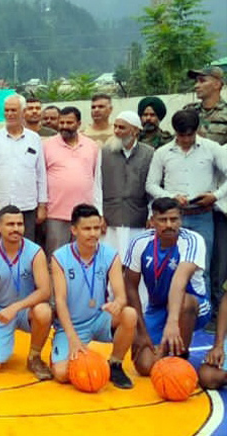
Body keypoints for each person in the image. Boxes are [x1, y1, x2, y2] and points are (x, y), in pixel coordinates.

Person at [146, 109, 227, 319]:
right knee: (168, 264)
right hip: (172, 217)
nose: (186, 140)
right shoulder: (162, 152)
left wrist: (216, 195)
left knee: (203, 267)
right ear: (175, 132)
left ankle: (203, 314)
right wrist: (171, 196)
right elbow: (151, 185)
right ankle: (168, 311)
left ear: (197, 130)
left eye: (190, 135)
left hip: (202, 214)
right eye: (182, 136)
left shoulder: (212, 149)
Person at [49, 204, 136, 389]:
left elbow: (121, 296)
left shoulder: (110, 255)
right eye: (87, 228)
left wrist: (117, 304)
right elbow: (60, 301)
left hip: (99, 318)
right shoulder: (60, 257)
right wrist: (72, 338)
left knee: (129, 314)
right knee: (62, 374)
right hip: (71, 326)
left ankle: (115, 364)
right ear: (74, 230)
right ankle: (71, 353)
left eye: (96, 228)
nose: (93, 233)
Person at [124, 198, 210, 376]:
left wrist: (172, 323)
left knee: (185, 303)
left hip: (193, 306)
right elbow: (130, 287)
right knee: (145, 366)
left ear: (181, 219)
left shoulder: (193, 241)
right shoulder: (139, 242)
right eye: (163, 220)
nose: (169, 225)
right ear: (152, 221)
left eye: (174, 219)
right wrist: (141, 331)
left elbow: (179, 282)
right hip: (157, 308)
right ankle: (164, 350)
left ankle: (180, 358)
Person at [0, 206, 52, 380]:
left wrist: (16, 307)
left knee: (43, 311)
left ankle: (34, 357)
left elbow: (44, 291)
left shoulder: (35, 252)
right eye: (10, 224)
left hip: (25, 310)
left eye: (19, 224)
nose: (16, 228)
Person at [184, 65, 227, 333]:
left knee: (219, 260)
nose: (197, 85)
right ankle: (194, 308)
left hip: (220, 198)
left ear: (217, 84)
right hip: (193, 199)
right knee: (197, 257)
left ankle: (216, 312)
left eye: (202, 80)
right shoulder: (189, 115)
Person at [0, 94, 47, 242]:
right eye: (6, 110)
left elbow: (40, 174)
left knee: (27, 248)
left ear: (23, 112)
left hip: (27, 206)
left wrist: (42, 205)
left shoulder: (34, 139)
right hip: (0, 206)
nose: (9, 114)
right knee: (1, 248)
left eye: (13, 110)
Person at [43, 106, 102, 255]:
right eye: (61, 123)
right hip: (56, 214)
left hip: (85, 215)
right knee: (56, 258)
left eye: (69, 123)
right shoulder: (46, 146)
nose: (64, 127)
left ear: (79, 123)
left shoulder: (92, 146)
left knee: (84, 257)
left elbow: (97, 179)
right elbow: (40, 179)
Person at [100, 111, 154, 259]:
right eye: (115, 127)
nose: (117, 131)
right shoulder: (104, 153)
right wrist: (99, 215)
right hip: (110, 219)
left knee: (136, 263)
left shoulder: (149, 154)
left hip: (138, 219)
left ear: (135, 131)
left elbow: (152, 188)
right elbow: (97, 186)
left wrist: (152, 214)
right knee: (110, 263)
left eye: (122, 128)